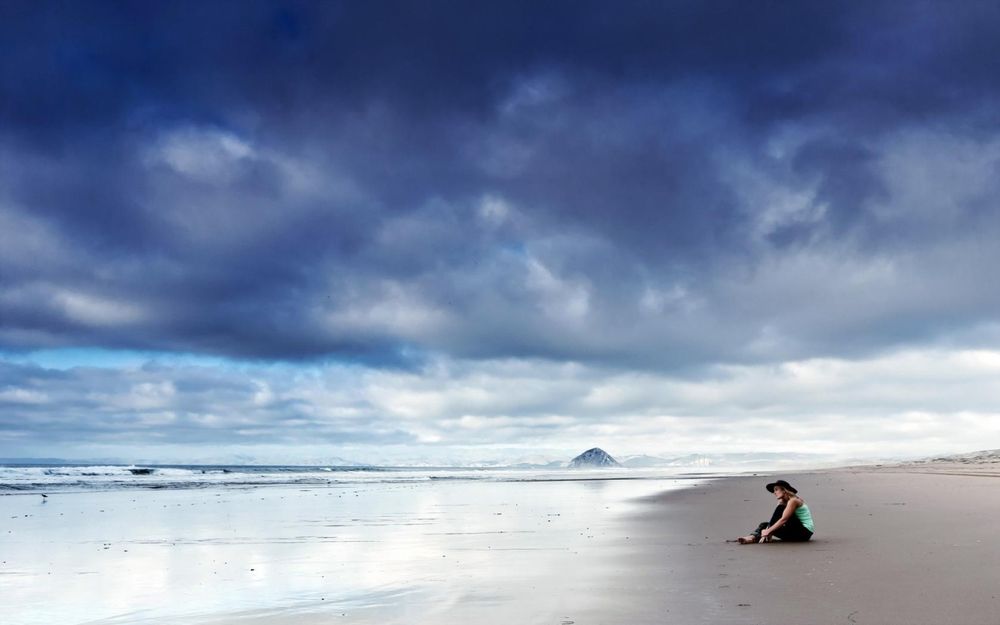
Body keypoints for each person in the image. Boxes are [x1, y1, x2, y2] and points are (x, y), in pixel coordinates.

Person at [737, 479, 814, 543]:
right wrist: (769, 529)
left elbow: (784, 519)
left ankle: (760, 536)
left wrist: (769, 531)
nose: (774, 492)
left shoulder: (794, 501)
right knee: (764, 524)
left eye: (776, 490)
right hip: (795, 534)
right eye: (774, 490)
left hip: (804, 533)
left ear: (784, 490)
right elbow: (776, 519)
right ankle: (752, 537)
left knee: (780, 509)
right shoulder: (785, 502)